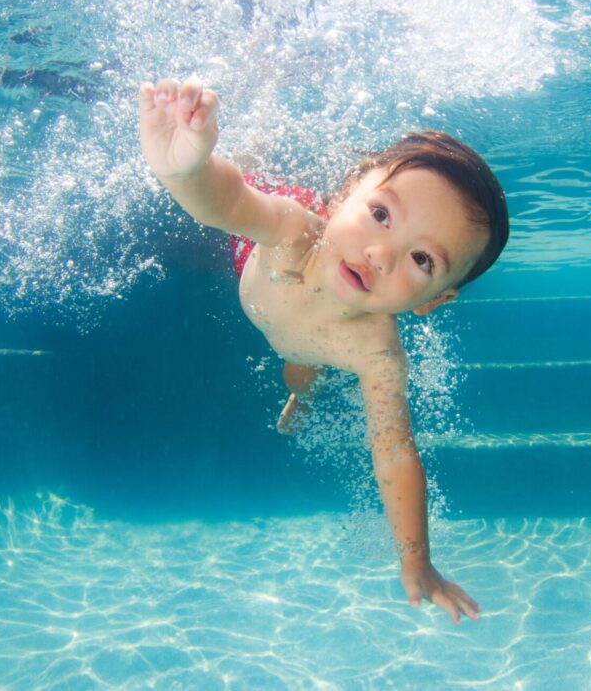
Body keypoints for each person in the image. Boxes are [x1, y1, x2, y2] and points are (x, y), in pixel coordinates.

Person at [139, 76, 509, 623]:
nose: (380, 252)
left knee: (300, 370)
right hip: (265, 256)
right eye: (380, 213)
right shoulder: (291, 231)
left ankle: (301, 397)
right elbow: (226, 203)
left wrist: (418, 563)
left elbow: (395, 453)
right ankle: (262, 112)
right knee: (251, 176)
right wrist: (185, 170)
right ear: (347, 194)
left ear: (435, 300)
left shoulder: (377, 355)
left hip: (307, 339)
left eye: (422, 260)